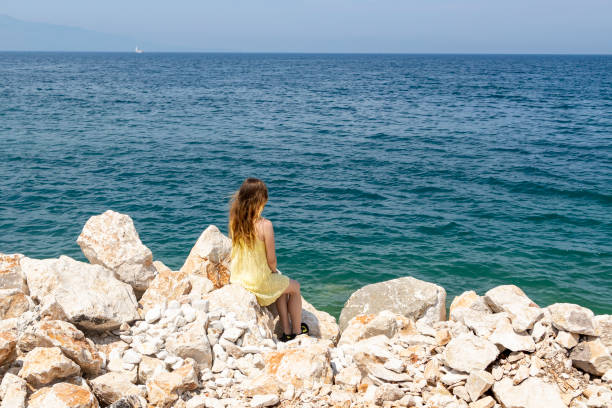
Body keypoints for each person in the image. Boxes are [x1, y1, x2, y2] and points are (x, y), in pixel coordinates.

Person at [228, 177, 308, 342]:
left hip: (238, 279)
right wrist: (273, 271)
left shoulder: (235, 221)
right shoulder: (265, 225)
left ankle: (286, 332)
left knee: (279, 286)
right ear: (260, 201)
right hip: (257, 283)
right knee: (294, 287)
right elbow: (272, 260)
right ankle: (297, 331)